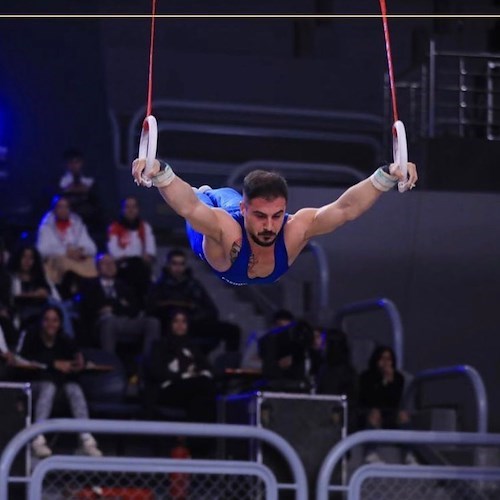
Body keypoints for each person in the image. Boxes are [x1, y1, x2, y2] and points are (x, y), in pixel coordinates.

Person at [131, 158, 418, 286]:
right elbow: (187, 207)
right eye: (260, 216)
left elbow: (346, 209)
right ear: (247, 211)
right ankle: (208, 191)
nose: (269, 226)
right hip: (213, 226)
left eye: (276, 215)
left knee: (227, 200)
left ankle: (221, 196)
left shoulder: (295, 229)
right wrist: (160, 172)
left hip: (236, 209)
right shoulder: (227, 230)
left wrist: (387, 175)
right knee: (201, 201)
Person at [17, 305, 102, 458]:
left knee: (74, 389)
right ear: (41, 322)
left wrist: (80, 363)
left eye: (55, 320)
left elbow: (77, 358)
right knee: (48, 387)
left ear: (60, 323)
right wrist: (52, 364)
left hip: (60, 389)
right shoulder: (31, 336)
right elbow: (20, 360)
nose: (51, 324)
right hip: (32, 387)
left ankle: (85, 440)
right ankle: (38, 438)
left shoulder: (65, 339)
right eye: (47, 320)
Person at [148, 248, 240, 353]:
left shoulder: (193, 285)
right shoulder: (160, 286)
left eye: (181, 264)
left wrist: (194, 316)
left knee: (232, 331)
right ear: (168, 265)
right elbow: (152, 309)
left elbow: (211, 310)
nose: (178, 267)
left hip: (195, 323)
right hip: (170, 326)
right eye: (174, 263)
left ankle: (229, 366)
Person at [78, 253, 160, 368]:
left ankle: (148, 366)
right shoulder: (89, 284)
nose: (110, 266)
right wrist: (119, 305)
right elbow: (90, 306)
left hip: (125, 321)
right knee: (109, 323)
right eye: (105, 263)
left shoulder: (125, 286)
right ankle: (109, 367)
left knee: (152, 322)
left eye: (112, 263)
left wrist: (113, 306)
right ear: (97, 267)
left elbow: (133, 309)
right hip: (101, 323)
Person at [143, 309, 217, 425]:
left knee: (200, 400)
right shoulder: (159, 346)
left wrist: (198, 374)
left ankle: (198, 440)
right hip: (168, 389)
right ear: (170, 324)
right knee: (204, 386)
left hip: (192, 389)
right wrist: (183, 375)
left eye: (184, 322)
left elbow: (207, 368)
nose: (180, 325)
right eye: (176, 321)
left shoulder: (193, 347)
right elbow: (156, 372)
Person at [358, 345, 416, 464]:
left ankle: (409, 455)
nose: (385, 362)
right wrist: (382, 383)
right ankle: (370, 452)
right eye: (382, 358)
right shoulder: (366, 377)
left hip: (389, 413)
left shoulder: (398, 378)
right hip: (369, 412)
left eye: (388, 359)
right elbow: (369, 400)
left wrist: (390, 382)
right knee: (375, 413)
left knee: (403, 415)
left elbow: (394, 402)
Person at [36, 195, 98, 295]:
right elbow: (41, 250)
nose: (63, 210)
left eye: (66, 207)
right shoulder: (46, 226)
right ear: (54, 209)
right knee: (63, 263)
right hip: (57, 262)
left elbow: (92, 248)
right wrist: (66, 252)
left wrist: (81, 251)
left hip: (77, 260)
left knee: (91, 262)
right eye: (60, 207)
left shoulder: (77, 224)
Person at [107, 195, 157, 306]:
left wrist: (145, 256)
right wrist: (128, 256)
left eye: (133, 207)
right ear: (122, 209)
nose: (130, 210)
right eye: (127, 207)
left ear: (138, 209)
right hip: (122, 266)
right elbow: (114, 251)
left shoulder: (145, 227)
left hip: (140, 265)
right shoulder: (114, 227)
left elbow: (150, 251)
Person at [57, 148, 101, 228]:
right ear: (66, 164)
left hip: (87, 221)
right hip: (64, 219)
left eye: (77, 162)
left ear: (81, 163)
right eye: (71, 162)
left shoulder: (90, 183)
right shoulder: (58, 183)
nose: (74, 166)